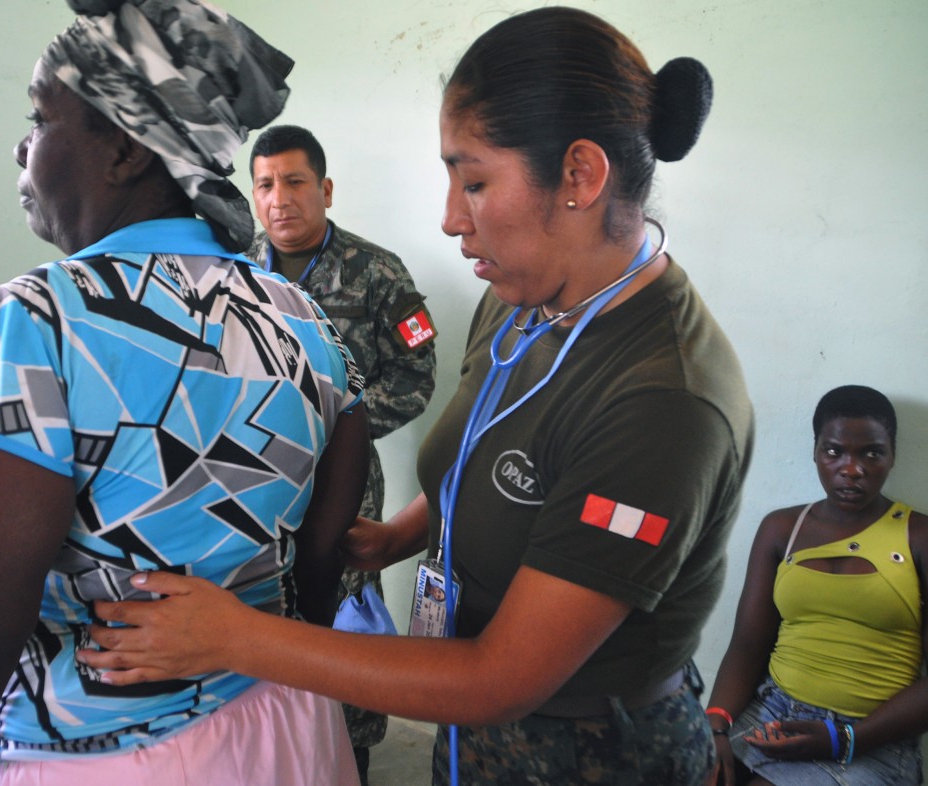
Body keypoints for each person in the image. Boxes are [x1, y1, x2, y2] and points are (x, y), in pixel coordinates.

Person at [77, 6, 755, 785]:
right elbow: (505, 453)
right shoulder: (523, 301)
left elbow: (501, 679)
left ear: (580, 176)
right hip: (475, 737)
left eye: (474, 180)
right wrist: (398, 535)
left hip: (588, 752)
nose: (449, 218)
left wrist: (232, 639)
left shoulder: (662, 401)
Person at [0, 2, 369, 785]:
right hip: (287, 727)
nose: (23, 143)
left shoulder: (38, 318)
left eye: (40, 118)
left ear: (122, 150)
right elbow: (324, 545)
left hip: (103, 759)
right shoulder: (301, 314)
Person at [248, 123, 438, 782]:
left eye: (296, 181)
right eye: (266, 185)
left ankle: (349, 754)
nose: (281, 199)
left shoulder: (378, 272)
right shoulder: (231, 270)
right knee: (261, 615)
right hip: (249, 483)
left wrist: (335, 429)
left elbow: (416, 378)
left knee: (341, 618)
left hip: (345, 483)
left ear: (324, 189)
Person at [705, 385, 926, 786]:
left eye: (871, 453)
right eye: (834, 451)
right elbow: (748, 644)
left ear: (892, 455)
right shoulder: (782, 529)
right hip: (771, 714)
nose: (851, 468)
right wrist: (716, 724)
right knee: (683, 768)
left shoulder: (919, 537)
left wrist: (844, 739)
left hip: (873, 737)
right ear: (815, 451)